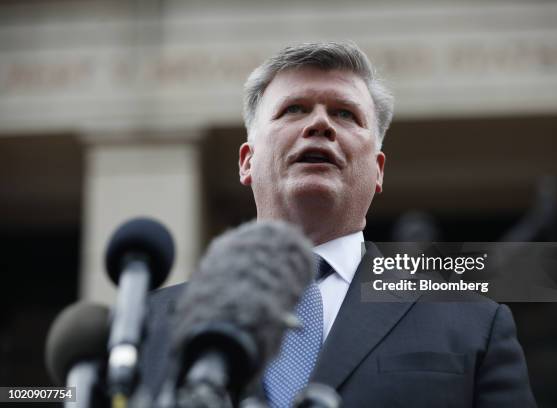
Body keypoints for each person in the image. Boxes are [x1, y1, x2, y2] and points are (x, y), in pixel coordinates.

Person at [140, 42, 536, 407]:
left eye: (345, 114)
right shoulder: (151, 324)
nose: (320, 125)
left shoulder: (473, 324)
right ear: (247, 161)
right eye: (294, 109)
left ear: (378, 171)